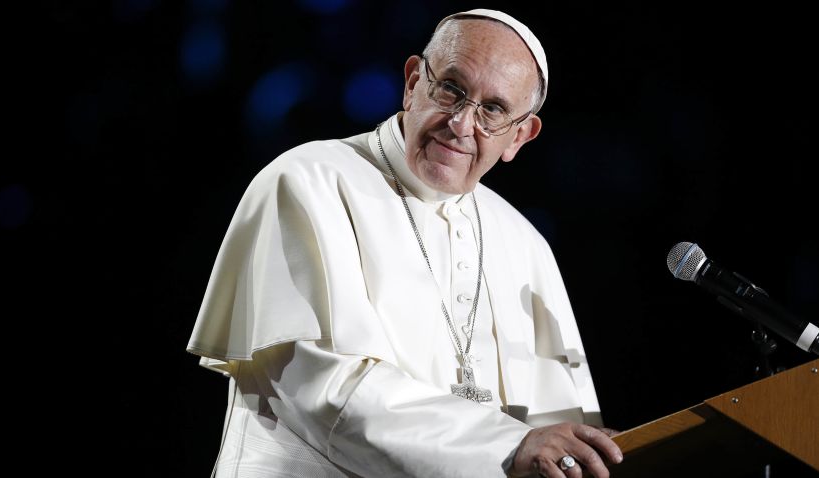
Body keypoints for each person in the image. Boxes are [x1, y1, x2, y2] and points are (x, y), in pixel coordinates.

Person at [187, 8, 623, 478]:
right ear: (413, 81)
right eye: (451, 89)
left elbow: (560, 437)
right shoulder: (308, 181)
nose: (460, 124)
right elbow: (320, 386)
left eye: (492, 110)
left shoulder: (524, 243)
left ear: (520, 135)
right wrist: (507, 444)